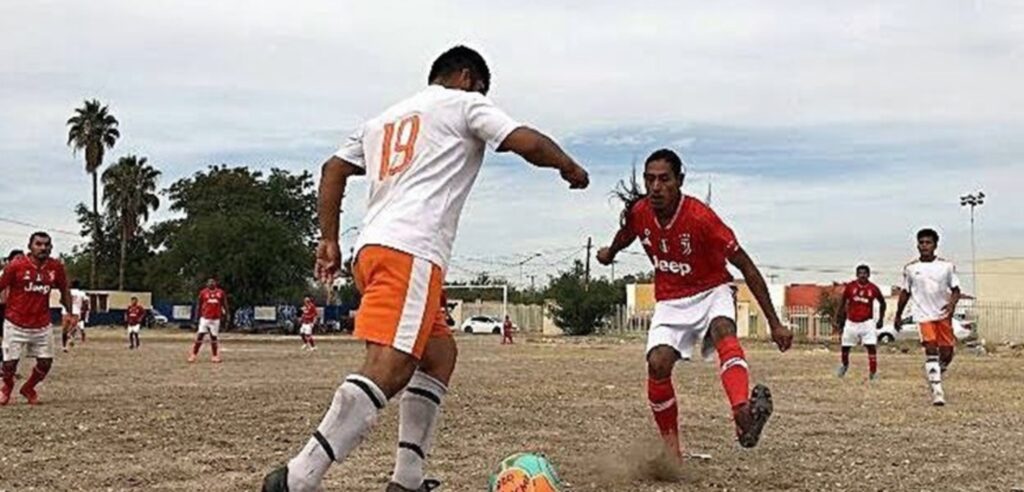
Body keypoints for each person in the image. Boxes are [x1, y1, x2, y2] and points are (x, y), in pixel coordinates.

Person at [262, 45, 589, 492]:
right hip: (411, 250)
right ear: (468, 77)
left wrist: (329, 238)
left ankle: (407, 480)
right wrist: (569, 166)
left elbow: (332, 168)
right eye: (482, 90)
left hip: (372, 250)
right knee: (389, 366)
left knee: (439, 355)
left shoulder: (382, 121)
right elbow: (525, 140)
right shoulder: (464, 103)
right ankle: (296, 478)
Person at [596, 148, 793, 457]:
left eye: (664, 179)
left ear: (680, 181)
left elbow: (746, 266)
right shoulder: (640, 212)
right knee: (657, 364)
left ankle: (742, 414)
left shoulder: (702, 218)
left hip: (712, 289)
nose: (656, 187)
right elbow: (627, 233)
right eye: (650, 179)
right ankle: (672, 453)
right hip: (671, 299)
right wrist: (610, 252)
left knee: (723, 328)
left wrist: (775, 323)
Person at [0, 233, 71, 405]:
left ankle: (28, 388)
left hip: (41, 323)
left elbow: (64, 289)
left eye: (46, 245)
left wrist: (70, 312)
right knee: (9, 365)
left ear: (51, 247)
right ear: (30, 246)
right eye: (38, 244)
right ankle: (7, 387)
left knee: (46, 363)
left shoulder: (56, 267)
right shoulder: (16, 266)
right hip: (15, 322)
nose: (43, 248)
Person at [893, 228, 961, 406]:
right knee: (930, 347)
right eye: (921, 242)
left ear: (935, 245)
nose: (924, 246)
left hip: (942, 314)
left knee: (947, 353)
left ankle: (937, 371)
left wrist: (951, 305)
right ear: (917, 245)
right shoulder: (911, 269)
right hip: (923, 315)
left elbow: (956, 290)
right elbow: (905, 292)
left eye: (928, 242)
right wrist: (898, 315)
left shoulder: (946, 267)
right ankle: (938, 392)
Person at [834, 265, 886, 379]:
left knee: (871, 346)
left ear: (869, 275)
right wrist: (839, 317)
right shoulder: (850, 287)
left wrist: (881, 319)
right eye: (860, 273)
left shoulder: (873, 288)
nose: (862, 275)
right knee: (845, 346)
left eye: (865, 273)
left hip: (867, 322)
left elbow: (883, 303)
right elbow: (843, 301)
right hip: (851, 322)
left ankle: (873, 372)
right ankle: (844, 365)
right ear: (857, 275)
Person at [188, 277, 228, 363]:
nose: (211, 284)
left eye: (213, 282)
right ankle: (193, 355)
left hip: (215, 318)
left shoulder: (220, 292)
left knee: (214, 337)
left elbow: (224, 304)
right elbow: (199, 305)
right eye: (209, 282)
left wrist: (226, 315)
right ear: (207, 284)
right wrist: (196, 317)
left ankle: (215, 356)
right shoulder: (203, 292)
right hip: (205, 318)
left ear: (215, 284)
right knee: (200, 336)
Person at [0, 250, 25, 365]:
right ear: (10, 261)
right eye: (17, 259)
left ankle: (8, 366)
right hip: (2, 307)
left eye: (22, 259)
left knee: (12, 340)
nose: (20, 262)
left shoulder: (24, 277)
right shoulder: (3, 274)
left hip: (15, 309)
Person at [61, 280, 88, 352]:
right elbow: (86, 302)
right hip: (76, 312)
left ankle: (64, 346)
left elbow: (61, 300)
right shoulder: (81, 293)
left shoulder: (66, 292)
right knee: (73, 327)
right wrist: (84, 311)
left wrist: (66, 306)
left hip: (66, 312)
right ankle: (70, 337)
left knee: (64, 330)